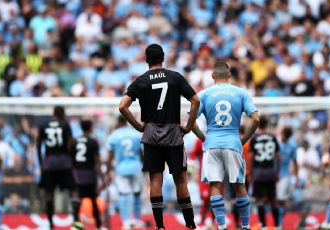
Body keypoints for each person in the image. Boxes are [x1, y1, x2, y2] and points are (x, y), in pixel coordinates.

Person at [119, 44, 200, 229]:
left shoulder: (141, 80)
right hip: (173, 133)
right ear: (162, 58)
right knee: (180, 179)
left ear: (146, 60)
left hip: (151, 135)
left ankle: (160, 226)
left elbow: (122, 106)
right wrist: (188, 126)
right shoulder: (175, 77)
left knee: (156, 179)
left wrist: (139, 126)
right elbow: (195, 100)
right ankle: (190, 225)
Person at [192, 61, 260, 230]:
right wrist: (244, 139)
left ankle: (222, 226)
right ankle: (245, 226)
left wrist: (203, 138)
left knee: (215, 185)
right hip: (233, 143)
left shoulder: (204, 94)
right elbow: (256, 119)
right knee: (239, 186)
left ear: (212, 76)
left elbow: (190, 121)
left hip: (212, 144)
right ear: (230, 75)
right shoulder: (241, 93)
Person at [36, 106, 76, 230]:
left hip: (49, 163)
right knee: (73, 192)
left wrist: (41, 163)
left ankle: (50, 225)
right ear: (62, 114)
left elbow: (38, 144)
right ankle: (76, 222)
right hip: (64, 162)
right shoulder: (65, 125)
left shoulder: (43, 125)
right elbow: (70, 144)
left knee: (49, 194)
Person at [107, 115, 143, 229]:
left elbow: (110, 156)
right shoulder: (136, 134)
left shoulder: (113, 136)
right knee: (137, 193)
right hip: (136, 167)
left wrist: (108, 170)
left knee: (123, 194)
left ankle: (126, 221)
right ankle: (137, 220)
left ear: (118, 122)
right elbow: (142, 153)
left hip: (121, 168)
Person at [70, 119, 103, 230]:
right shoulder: (93, 141)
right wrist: (101, 178)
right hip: (89, 174)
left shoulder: (74, 141)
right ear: (90, 127)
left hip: (77, 174)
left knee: (77, 199)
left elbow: (71, 159)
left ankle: (76, 225)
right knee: (93, 199)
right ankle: (98, 226)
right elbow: (97, 162)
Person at [249, 116, 281, 228]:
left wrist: (250, 173)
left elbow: (251, 156)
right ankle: (277, 225)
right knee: (273, 200)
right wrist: (277, 171)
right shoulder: (273, 138)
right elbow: (278, 156)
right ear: (267, 125)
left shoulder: (254, 138)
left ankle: (263, 226)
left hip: (258, 173)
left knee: (259, 200)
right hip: (270, 172)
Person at [277, 126, 298, 225]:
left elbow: (295, 161)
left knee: (281, 199)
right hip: (273, 174)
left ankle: (280, 222)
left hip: (284, 175)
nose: (284, 138)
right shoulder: (276, 142)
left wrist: (296, 176)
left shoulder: (292, 145)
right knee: (275, 200)